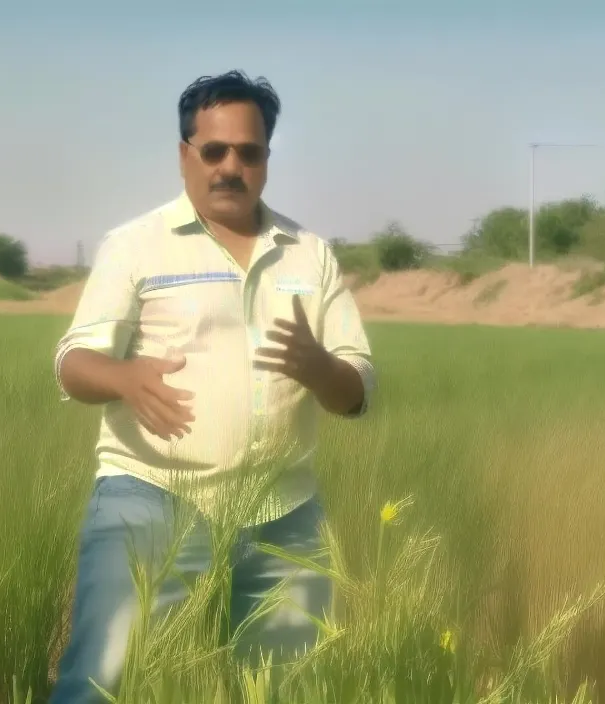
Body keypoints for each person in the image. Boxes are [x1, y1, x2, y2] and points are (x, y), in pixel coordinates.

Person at [48, 70, 375, 703]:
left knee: (284, 690)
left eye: (249, 153)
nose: (231, 167)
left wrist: (319, 370)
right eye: (214, 151)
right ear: (184, 155)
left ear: (267, 160)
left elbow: (357, 389)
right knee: (105, 683)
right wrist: (121, 377)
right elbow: (72, 360)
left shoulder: (309, 253)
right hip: (151, 501)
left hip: (285, 517)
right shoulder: (136, 246)